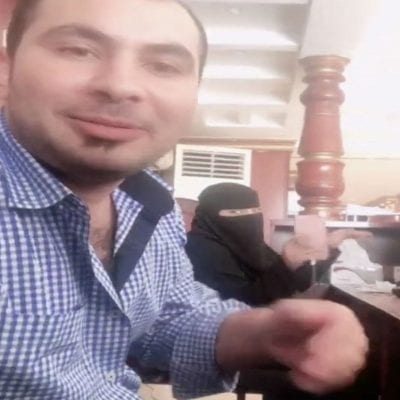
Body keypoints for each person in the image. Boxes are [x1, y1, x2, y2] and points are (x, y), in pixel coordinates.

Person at [0, 1, 368, 399]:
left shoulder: (153, 208)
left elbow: (162, 320)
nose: (121, 85)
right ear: (6, 69)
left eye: (163, 66)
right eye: (79, 50)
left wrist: (260, 332)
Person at [186, 182, 371, 306]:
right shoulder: (198, 250)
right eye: (235, 213)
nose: (250, 218)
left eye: (255, 211)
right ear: (210, 216)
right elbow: (240, 303)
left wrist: (328, 246)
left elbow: (294, 283)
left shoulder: (248, 246)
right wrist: (285, 264)